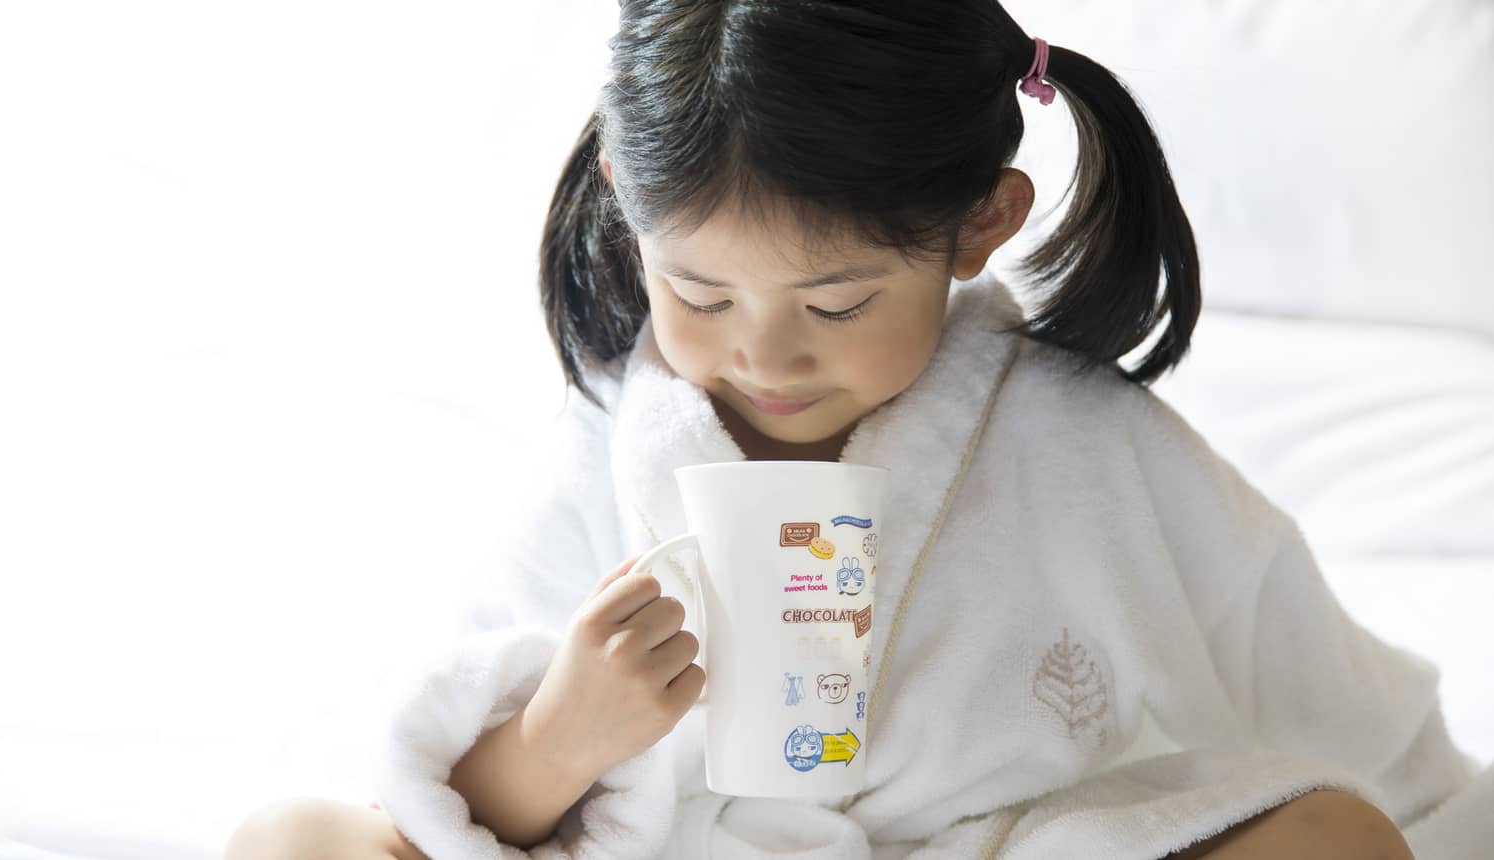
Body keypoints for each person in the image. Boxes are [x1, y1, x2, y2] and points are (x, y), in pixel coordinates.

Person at [223, 2, 1494, 858]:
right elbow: (457, 802)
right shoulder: (614, 436)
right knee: (293, 840)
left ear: (984, 223)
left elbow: (1337, 698)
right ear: (628, 208)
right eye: (701, 294)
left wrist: (1435, 815)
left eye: (838, 302)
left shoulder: (1082, 442)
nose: (762, 354)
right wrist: (565, 733)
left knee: (1337, 837)